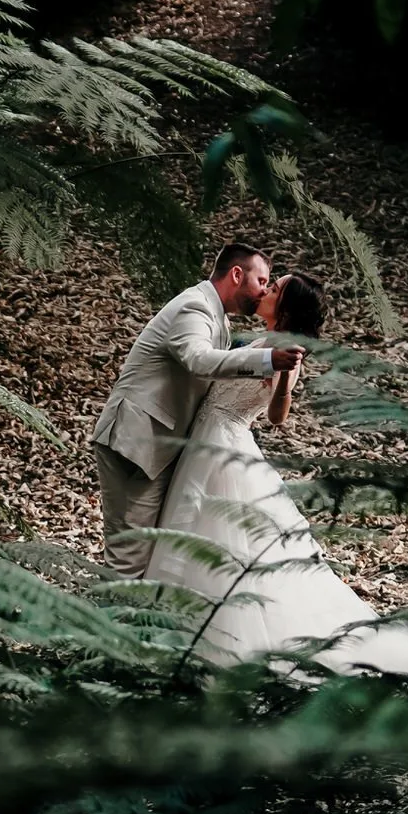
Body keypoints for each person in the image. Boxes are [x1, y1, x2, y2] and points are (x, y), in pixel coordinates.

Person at [144, 272, 408, 688]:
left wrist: (285, 378)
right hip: (211, 439)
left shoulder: (285, 348)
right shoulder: (260, 340)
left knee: (222, 539)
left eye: (274, 289)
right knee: (204, 534)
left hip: (225, 444)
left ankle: (222, 645)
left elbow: (277, 416)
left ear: (285, 307)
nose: (265, 291)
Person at [90, 244, 306, 578]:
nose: (264, 289)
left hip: (177, 448)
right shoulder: (195, 307)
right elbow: (198, 360)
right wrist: (266, 360)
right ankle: (104, 628)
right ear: (237, 274)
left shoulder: (218, 316)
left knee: (154, 555)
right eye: (263, 280)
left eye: (271, 286)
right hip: (138, 443)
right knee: (129, 558)